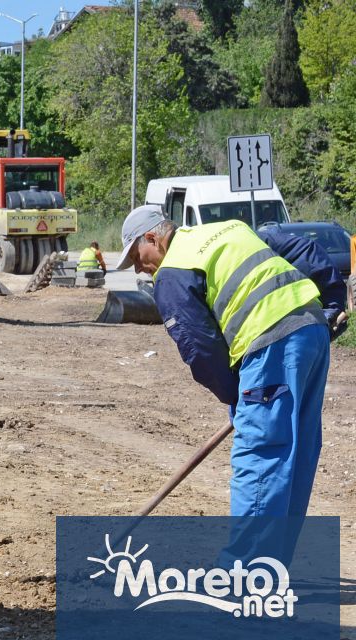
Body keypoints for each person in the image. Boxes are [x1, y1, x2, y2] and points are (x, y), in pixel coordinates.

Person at [116, 205, 348, 519]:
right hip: (312, 333)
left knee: (261, 456)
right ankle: (272, 565)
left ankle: (246, 566)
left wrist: (236, 395)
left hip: (269, 343)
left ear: (152, 239)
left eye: (134, 256)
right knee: (297, 455)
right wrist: (332, 303)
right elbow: (301, 247)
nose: (138, 269)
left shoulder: (171, 272)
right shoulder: (227, 229)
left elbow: (200, 348)